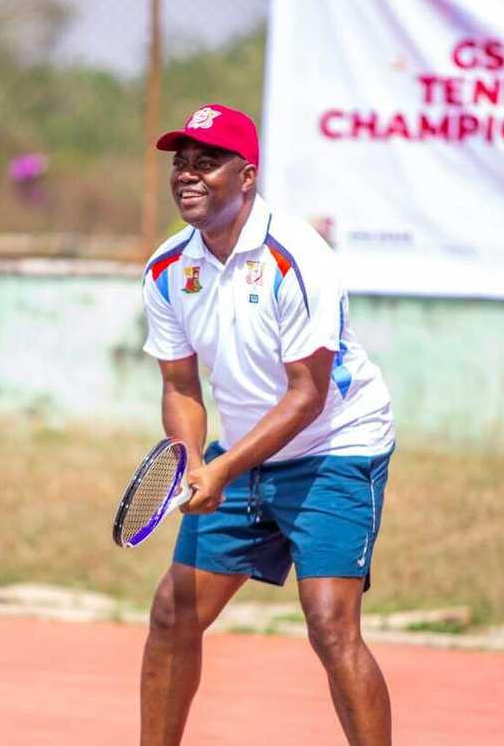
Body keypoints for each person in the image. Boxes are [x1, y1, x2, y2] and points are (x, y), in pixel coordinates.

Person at [138, 104, 397, 745]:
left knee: (331, 625)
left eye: (207, 163)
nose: (188, 176)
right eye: (181, 164)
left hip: (336, 445)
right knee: (174, 613)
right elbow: (179, 385)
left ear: (246, 176)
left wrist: (224, 467)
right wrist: (193, 460)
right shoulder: (169, 268)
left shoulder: (297, 257)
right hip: (243, 451)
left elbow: (307, 394)